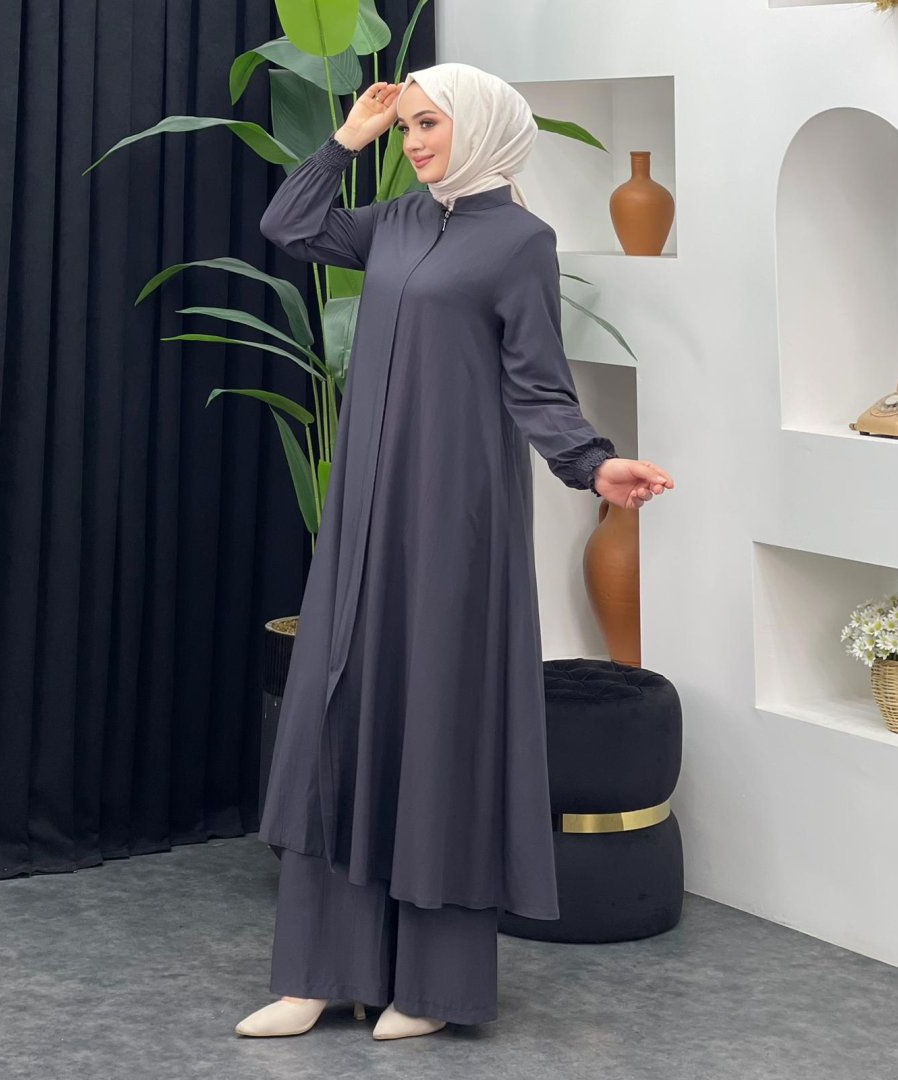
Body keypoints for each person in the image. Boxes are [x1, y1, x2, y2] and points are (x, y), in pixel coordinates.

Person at [236, 62, 675, 1041]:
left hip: (454, 516)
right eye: (409, 129)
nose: (416, 142)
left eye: (429, 124)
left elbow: (537, 381)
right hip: (364, 510)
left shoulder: (518, 241)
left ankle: (430, 988)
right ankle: (320, 973)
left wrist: (593, 464)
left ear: (479, 128)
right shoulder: (394, 222)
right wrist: (348, 140)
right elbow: (289, 227)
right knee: (342, 716)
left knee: (436, 725)